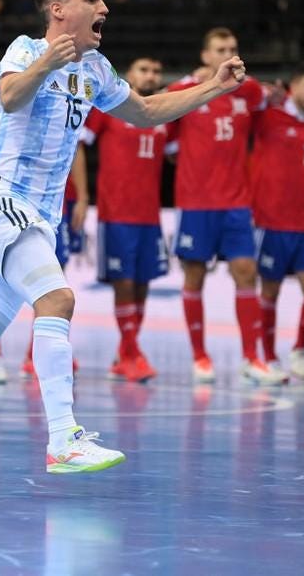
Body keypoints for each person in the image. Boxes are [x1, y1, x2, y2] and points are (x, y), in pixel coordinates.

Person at [0, 0, 251, 475]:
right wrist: (48, 61)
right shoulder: (26, 50)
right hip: (4, 202)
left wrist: (213, 89)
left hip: (39, 217)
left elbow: (144, 110)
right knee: (59, 299)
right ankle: (63, 438)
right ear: (59, 9)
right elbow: (8, 96)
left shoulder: (94, 68)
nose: (104, 9)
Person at [168, 27, 284, 385]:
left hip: (237, 203)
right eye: (221, 49)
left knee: (247, 273)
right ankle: (200, 357)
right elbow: (168, 145)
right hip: (196, 203)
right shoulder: (181, 92)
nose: (229, 54)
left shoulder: (246, 89)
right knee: (195, 277)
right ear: (205, 56)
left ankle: (252, 358)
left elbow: (271, 99)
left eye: (233, 48)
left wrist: (273, 92)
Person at [81, 57, 169, 383]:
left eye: (156, 71)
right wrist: (85, 197)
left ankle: (126, 351)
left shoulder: (163, 114)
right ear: (129, 75)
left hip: (150, 213)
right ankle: (132, 353)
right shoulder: (109, 106)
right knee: (125, 283)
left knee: (143, 282)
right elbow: (79, 145)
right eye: (144, 70)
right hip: (116, 212)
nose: (151, 75)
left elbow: (176, 153)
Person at [252, 66, 304, 382]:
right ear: (293, 87)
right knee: (270, 291)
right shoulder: (269, 116)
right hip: (270, 221)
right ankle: (267, 356)